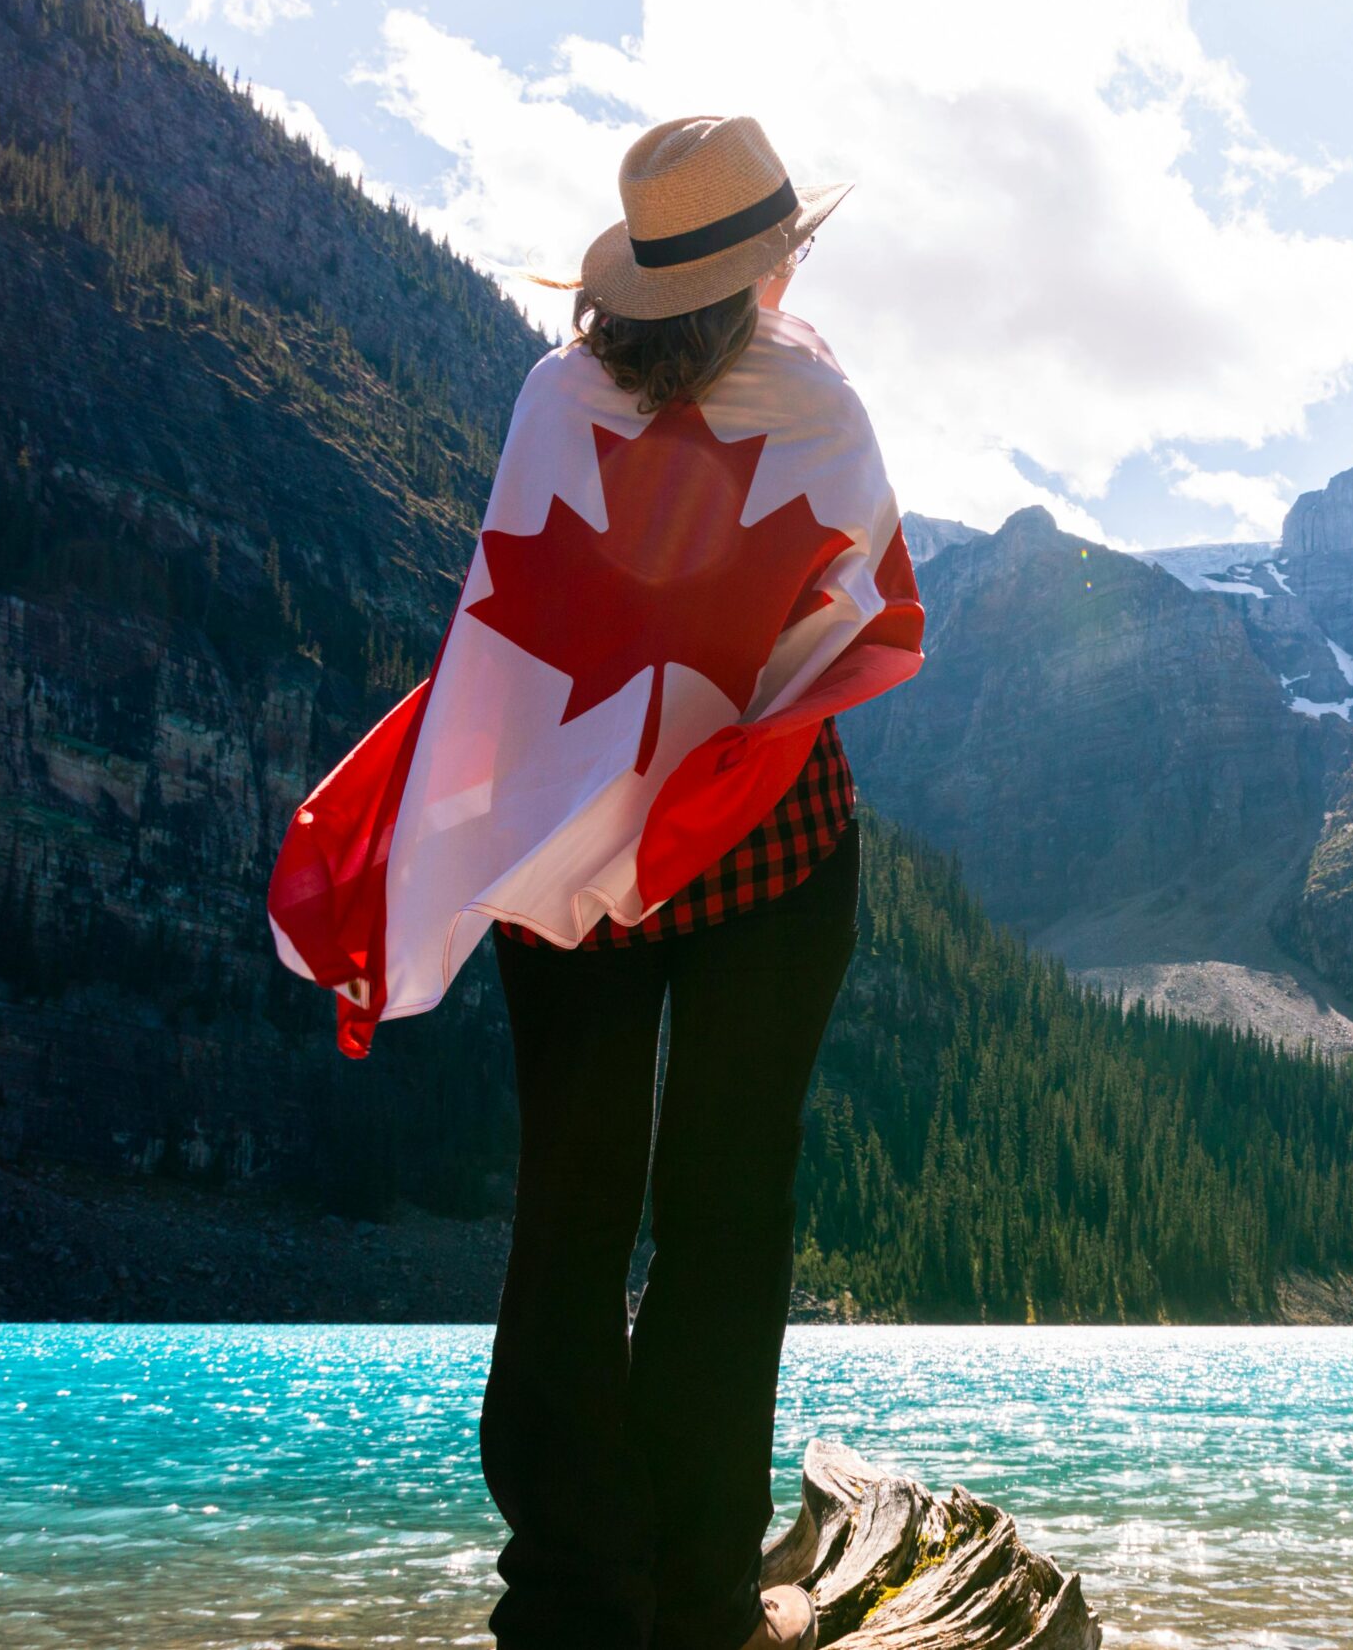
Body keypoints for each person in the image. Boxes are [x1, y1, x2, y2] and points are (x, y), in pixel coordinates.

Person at [269, 114, 923, 1650]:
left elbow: (512, 629)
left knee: (568, 1205)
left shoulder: (553, 396)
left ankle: (563, 1594)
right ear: (769, 262)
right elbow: (862, 616)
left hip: (561, 871)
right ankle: (701, 1594)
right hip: (767, 855)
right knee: (726, 1212)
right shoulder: (814, 399)